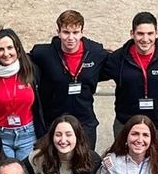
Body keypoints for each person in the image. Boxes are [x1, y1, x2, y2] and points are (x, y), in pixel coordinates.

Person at [101, 11, 158, 141]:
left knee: (156, 155)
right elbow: (92, 74)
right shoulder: (118, 58)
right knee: (123, 155)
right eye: (140, 33)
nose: (145, 39)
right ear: (132, 34)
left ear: (157, 33)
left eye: (150, 33)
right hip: (125, 124)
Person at [29, 9, 105, 147]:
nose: (71, 38)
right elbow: (19, 62)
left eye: (75, 32)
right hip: (53, 122)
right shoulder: (43, 54)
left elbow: (116, 64)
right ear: (58, 32)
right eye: (66, 32)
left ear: (82, 32)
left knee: (86, 159)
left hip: (84, 123)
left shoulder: (96, 53)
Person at [0, 27, 40, 158]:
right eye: (0, 49)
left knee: (26, 170)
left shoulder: (31, 72)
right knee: (6, 170)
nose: (6, 53)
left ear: (17, 50)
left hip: (28, 134)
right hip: (1, 135)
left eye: (10, 48)